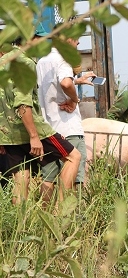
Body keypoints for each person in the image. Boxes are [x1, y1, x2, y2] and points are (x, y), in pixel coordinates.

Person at [0, 41, 81, 205]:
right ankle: (60, 215)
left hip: (9, 132)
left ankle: (20, 225)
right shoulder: (26, 62)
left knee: (21, 178)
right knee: (73, 157)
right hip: (31, 127)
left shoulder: (4, 61)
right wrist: (34, 136)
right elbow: (23, 104)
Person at [36, 28, 95, 203]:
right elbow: (64, 82)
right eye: (76, 40)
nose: (77, 44)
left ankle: (43, 216)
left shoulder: (42, 61)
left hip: (49, 128)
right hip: (68, 126)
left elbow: (52, 83)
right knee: (75, 173)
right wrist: (75, 99)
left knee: (48, 177)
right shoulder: (64, 59)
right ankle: (65, 215)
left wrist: (78, 80)